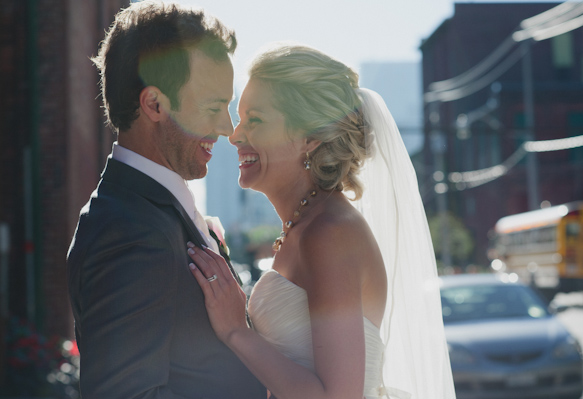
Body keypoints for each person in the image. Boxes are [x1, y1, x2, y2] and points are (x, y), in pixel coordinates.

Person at [186, 44, 456, 399]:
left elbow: (336, 396)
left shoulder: (331, 234)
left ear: (310, 137)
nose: (235, 136)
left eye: (255, 120)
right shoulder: (306, 226)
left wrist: (237, 331)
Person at [66, 2, 266, 398]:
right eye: (212, 106)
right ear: (154, 104)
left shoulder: (146, 211)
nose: (227, 128)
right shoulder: (130, 232)